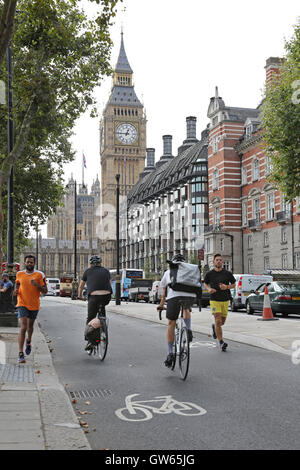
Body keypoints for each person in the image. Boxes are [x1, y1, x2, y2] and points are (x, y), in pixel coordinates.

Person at [157, 253, 196, 368]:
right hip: (189, 297)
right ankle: (188, 329)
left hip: (173, 298)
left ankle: (170, 354)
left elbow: (164, 290)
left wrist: (162, 303)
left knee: (171, 323)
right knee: (186, 308)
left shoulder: (168, 272)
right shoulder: (189, 271)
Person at [14, 255, 47, 363]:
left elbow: (45, 291)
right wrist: (15, 291)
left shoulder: (39, 274)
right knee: (23, 326)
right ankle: (20, 353)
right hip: (22, 303)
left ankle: (28, 341)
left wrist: (37, 285)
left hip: (34, 305)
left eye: (31, 262)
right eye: (27, 262)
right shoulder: (19, 274)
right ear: (24, 263)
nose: (29, 264)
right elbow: (17, 285)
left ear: (34, 263)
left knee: (30, 327)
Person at [78, 255, 112, 350]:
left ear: (91, 264)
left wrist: (80, 296)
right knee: (102, 308)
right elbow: (109, 283)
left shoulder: (88, 271)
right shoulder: (106, 271)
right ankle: (103, 327)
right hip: (106, 296)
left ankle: (89, 340)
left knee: (91, 317)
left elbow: (81, 286)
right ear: (100, 263)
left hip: (94, 297)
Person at [204, 253, 236, 351]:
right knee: (218, 320)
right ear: (213, 262)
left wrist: (226, 287)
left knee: (222, 322)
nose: (219, 261)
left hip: (225, 300)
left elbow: (234, 284)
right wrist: (209, 289)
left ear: (222, 262)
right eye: (217, 260)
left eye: (220, 260)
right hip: (214, 300)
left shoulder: (227, 273)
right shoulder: (209, 274)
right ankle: (221, 342)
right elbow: (205, 283)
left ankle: (215, 327)